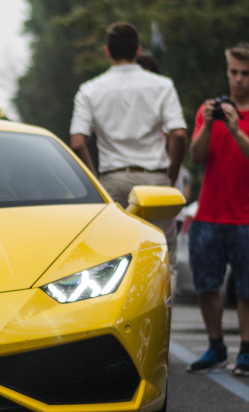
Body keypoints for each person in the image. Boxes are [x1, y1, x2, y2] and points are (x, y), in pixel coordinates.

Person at [184, 42, 249, 377]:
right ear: (227, 71)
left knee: (248, 288)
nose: (238, 79)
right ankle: (215, 347)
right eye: (233, 72)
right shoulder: (206, 110)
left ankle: (246, 351)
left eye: (245, 73)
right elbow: (196, 157)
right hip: (209, 214)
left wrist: (236, 130)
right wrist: (212, 124)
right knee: (206, 285)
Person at [69, 21, 187, 253]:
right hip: (155, 181)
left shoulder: (89, 90)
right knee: (162, 253)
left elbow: (77, 142)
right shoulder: (162, 86)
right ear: (138, 51)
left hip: (113, 181)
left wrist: (97, 184)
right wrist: (171, 176)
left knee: (115, 255)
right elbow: (179, 135)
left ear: (107, 51)